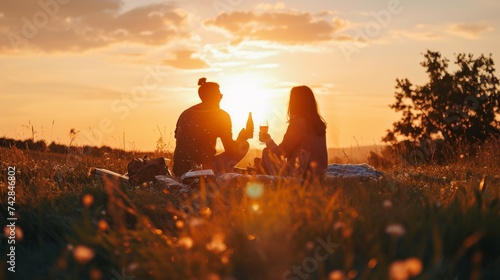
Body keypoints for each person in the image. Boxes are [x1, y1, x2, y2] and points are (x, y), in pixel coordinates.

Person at [173, 78, 252, 177]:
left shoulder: (185, 113)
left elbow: (179, 140)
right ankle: (218, 173)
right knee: (244, 145)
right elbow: (230, 150)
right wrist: (242, 138)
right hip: (204, 170)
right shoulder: (221, 115)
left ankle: (225, 171)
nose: (221, 97)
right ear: (213, 96)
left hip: (179, 169)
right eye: (220, 95)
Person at [259, 85, 328, 178]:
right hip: (319, 175)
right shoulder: (319, 124)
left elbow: (280, 154)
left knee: (267, 153)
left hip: (299, 176)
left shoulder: (298, 124)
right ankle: (259, 171)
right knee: (266, 159)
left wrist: (268, 141)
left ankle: (258, 174)